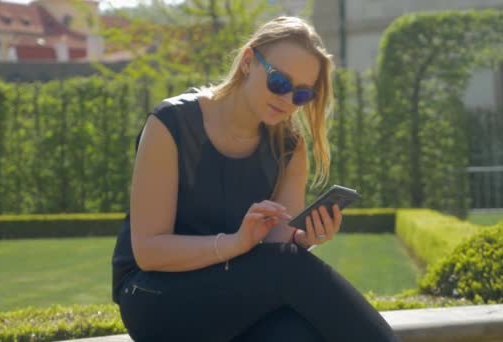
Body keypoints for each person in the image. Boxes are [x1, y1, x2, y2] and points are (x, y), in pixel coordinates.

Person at [111, 16, 400, 342]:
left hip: (233, 295)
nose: (288, 100)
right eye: (279, 82)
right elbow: (149, 251)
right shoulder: (171, 124)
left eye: (302, 94)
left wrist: (303, 239)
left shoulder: (289, 145)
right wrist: (236, 242)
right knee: (287, 268)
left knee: (297, 335)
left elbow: (278, 244)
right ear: (248, 62)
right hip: (154, 296)